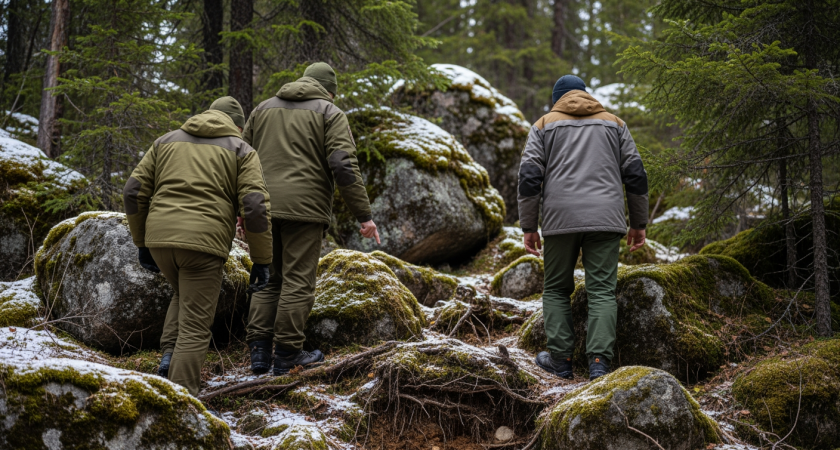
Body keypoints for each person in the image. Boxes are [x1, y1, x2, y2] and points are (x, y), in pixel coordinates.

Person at [124, 96, 272, 396]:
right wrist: (261, 259)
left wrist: (141, 242)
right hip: (203, 244)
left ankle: (168, 356)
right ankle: (181, 402)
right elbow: (255, 206)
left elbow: (132, 191)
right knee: (195, 327)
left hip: (160, 239)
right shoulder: (241, 149)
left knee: (184, 293)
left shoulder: (165, 141)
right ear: (238, 126)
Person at [243, 62, 379, 375]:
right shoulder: (330, 113)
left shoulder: (261, 109)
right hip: (304, 210)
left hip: (260, 207)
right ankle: (288, 355)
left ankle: (259, 355)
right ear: (329, 90)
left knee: (266, 276)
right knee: (297, 281)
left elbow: (242, 160)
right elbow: (343, 165)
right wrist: (364, 215)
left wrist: (242, 208)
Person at [518, 75, 649, 381]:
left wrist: (529, 226)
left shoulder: (543, 125)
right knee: (602, 291)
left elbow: (528, 177)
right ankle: (600, 364)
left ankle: (561, 361)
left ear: (557, 99)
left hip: (559, 220)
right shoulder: (615, 124)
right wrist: (638, 223)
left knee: (555, 289)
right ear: (585, 95)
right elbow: (636, 174)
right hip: (606, 219)